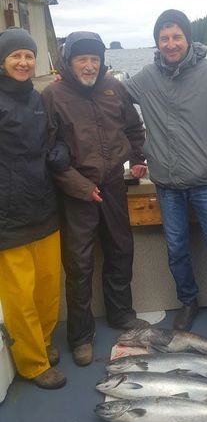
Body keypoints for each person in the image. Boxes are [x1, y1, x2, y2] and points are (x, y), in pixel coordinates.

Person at [124, 9, 207, 343]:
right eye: (164, 38)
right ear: (156, 42)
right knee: (177, 250)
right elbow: (112, 101)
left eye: (176, 36)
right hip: (166, 184)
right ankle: (188, 302)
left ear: (188, 38)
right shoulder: (146, 77)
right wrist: (137, 151)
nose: (170, 44)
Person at [41, 31, 148, 367]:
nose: (89, 65)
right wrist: (80, 186)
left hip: (114, 185)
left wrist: (139, 157)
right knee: (79, 265)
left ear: (101, 62)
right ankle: (81, 336)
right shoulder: (52, 95)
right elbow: (45, 152)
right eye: (81, 59)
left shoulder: (114, 88)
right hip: (77, 194)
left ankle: (121, 315)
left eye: (94, 59)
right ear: (69, 62)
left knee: (120, 249)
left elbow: (134, 129)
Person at [0, 27, 65, 389]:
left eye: (28, 55)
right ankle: (32, 363)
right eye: (15, 56)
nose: (24, 62)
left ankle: (43, 341)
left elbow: (50, 141)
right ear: (2, 62)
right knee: (20, 295)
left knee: (47, 287)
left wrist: (60, 153)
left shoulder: (37, 98)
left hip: (43, 205)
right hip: (8, 215)